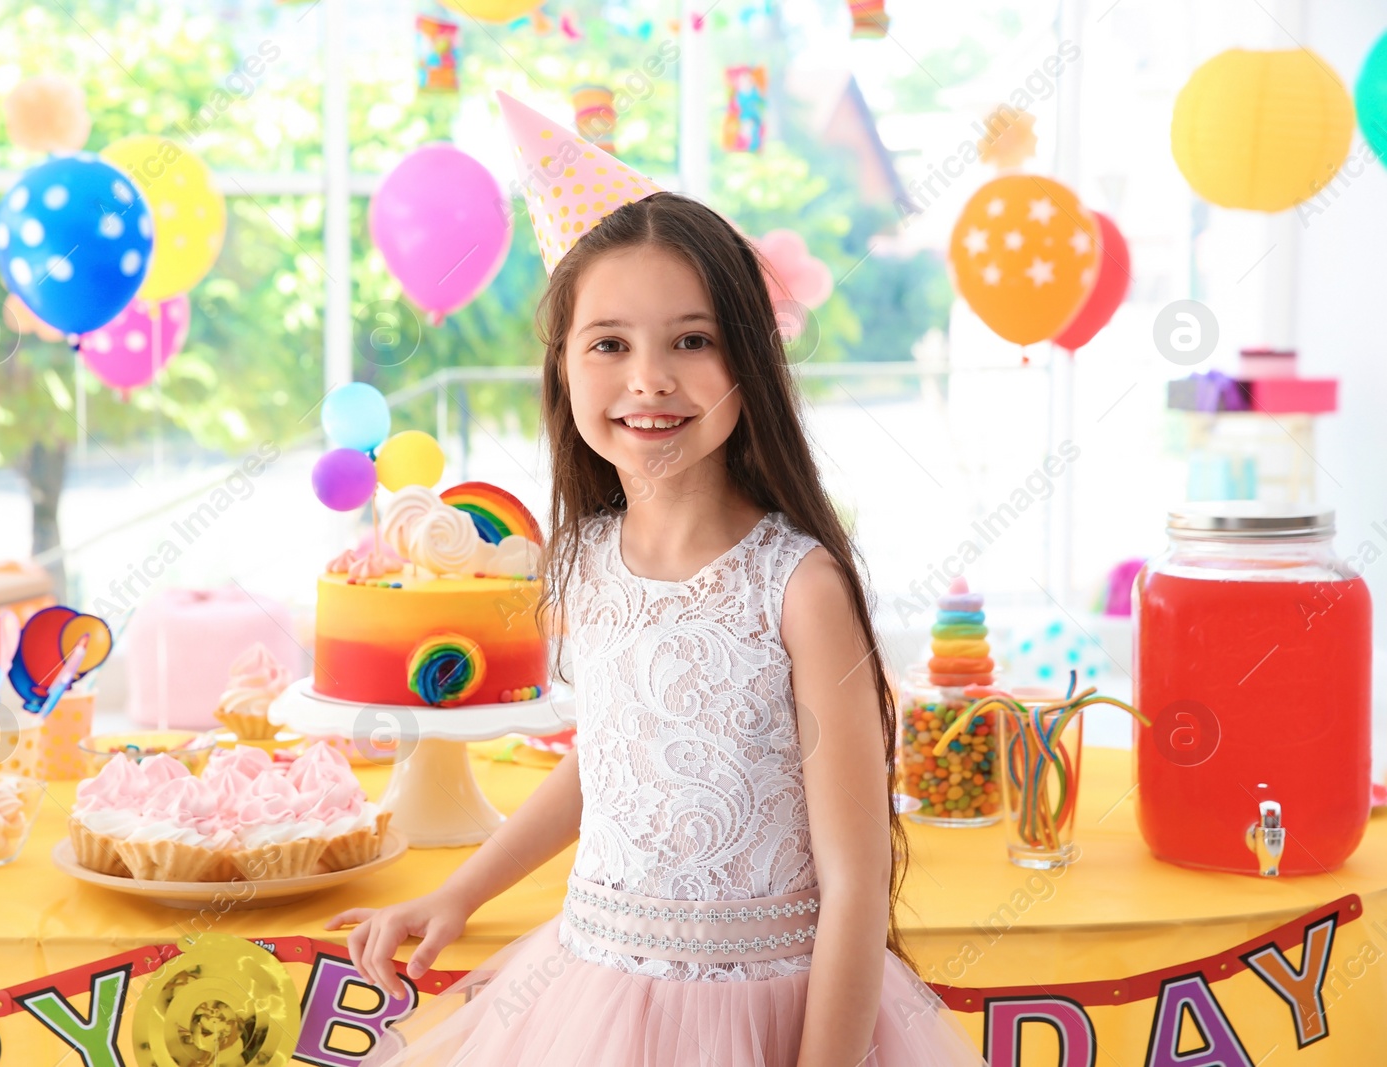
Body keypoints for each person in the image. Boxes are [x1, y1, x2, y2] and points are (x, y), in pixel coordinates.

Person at [323, 93, 987, 1067]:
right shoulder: (585, 561)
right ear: (562, 369)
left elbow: (855, 877)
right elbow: (615, 762)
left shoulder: (797, 587)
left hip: (765, 1007)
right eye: (609, 343)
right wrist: (458, 891)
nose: (648, 378)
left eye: (691, 339)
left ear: (747, 360)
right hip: (588, 994)